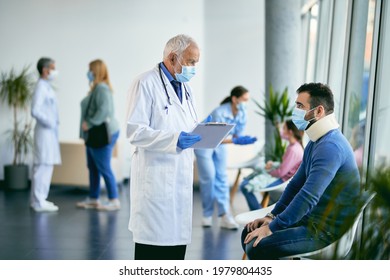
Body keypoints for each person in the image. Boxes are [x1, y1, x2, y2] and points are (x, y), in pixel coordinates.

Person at [241, 83, 361, 259]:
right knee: (248, 233)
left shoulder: (331, 146)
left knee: (258, 246)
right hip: (310, 220)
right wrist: (272, 217)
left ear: (319, 111)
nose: (295, 110)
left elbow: (308, 196)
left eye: (300, 106)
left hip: (324, 231)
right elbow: (296, 184)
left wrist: (272, 228)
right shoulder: (316, 142)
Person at [126, 34, 202, 260]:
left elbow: (189, 126)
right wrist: (173, 140)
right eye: (190, 62)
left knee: (176, 251)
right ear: (172, 57)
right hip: (156, 181)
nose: (193, 68)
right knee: (153, 253)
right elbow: (135, 131)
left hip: (180, 177)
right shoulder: (145, 83)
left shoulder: (186, 89)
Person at [195, 86, 257, 229]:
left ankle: (225, 216)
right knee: (209, 178)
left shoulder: (242, 114)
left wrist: (240, 139)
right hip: (204, 144)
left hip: (221, 144)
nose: (246, 103)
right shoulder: (220, 112)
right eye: (244, 100)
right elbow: (214, 137)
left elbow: (236, 135)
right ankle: (207, 214)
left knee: (222, 177)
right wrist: (235, 141)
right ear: (235, 99)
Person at [77, 59, 120, 211]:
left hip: (102, 133)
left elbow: (104, 111)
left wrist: (89, 123)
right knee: (93, 167)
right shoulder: (96, 88)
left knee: (103, 167)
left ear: (96, 71)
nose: (88, 73)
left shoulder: (101, 88)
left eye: (90, 70)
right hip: (94, 135)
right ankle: (93, 198)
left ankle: (114, 200)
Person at [240, 120, 304, 211]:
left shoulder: (294, 149)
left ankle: (257, 213)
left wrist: (267, 170)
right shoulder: (293, 146)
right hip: (280, 176)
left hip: (281, 180)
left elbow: (281, 172)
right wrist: (273, 165)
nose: (281, 131)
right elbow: (285, 165)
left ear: (290, 132)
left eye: (284, 128)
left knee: (245, 187)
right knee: (245, 183)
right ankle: (258, 211)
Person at [30, 57, 61, 212]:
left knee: (47, 165)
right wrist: (49, 122)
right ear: (45, 70)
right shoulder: (41, 87)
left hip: (50, 133)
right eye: (53, 68)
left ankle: (41, 198)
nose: (55, 71)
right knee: (42, 166)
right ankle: (37, 201)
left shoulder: (46, 86)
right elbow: (35, 110)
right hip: (44, 131)